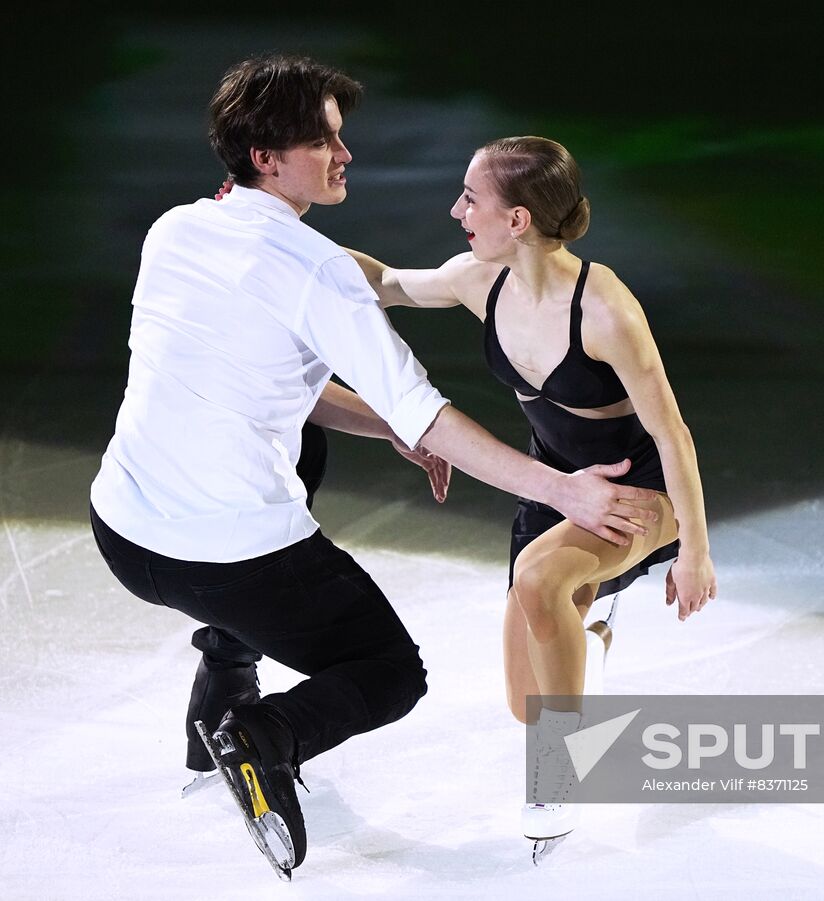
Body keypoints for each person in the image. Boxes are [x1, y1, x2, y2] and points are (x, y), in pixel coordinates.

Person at [88, 56, 662, 880]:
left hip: (123, 532)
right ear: (266, 157)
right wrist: (562, 486)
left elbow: (270, 379)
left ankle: (222, 677)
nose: (343, 154)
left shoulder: (174, 229)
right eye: (323, 141)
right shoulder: (320, 269)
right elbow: (427, 410)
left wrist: (387, 427)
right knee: (390, 672)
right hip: (226, 565)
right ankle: (264, 732)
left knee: (307, 437)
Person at [343, 136, 717, 853]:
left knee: (541, 581)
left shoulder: (606, 311)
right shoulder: (477, 280)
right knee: (527, 702)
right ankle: (591, 648)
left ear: (517, 219)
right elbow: (386, 283)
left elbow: (673, 434)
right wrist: (285, 238)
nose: (457, 211)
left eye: (471, 198)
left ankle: (557, 772)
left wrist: (694, 549)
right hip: (553, 488)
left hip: (633, 490)